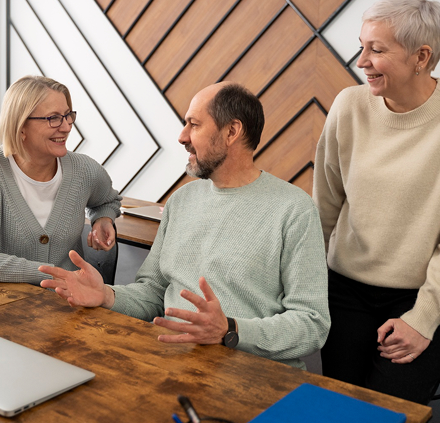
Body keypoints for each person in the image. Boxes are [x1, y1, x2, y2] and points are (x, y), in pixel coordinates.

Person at [40, 82, 330, 369]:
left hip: (252, 375)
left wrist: (231, 329)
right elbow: (153, 292)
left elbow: (312, 324)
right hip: (172, 363)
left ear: (232, 132)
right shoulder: (181, 201)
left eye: (194, 124)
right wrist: (107, 295)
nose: (181, 137)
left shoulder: (294, 210)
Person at [313, 0, 440, 404]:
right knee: (341, 407)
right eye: (362, 46)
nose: (361, 61)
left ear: (421, 56)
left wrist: (424, 318)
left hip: (425, 292)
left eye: (377, 50)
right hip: (345, 290)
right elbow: (323, 209)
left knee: (386, 410)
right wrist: (303, 288)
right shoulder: (349, 105)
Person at [0, 76, 121, 285]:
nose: (67, 127)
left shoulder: (85, 170)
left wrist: (103, 219)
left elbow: (107, 201)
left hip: (69, 304)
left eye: (67, 116)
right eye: (53, 118)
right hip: (3, 306)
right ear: (21, 126)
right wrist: (56, 274)